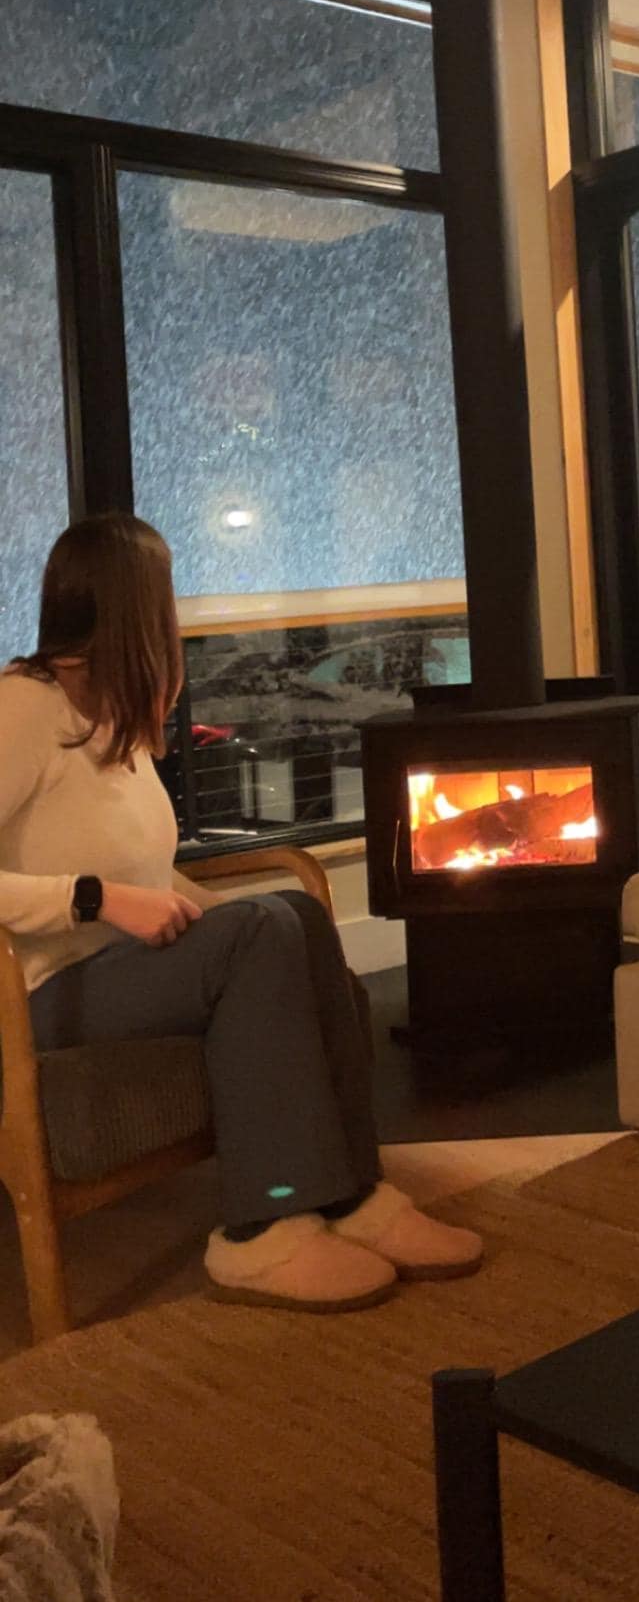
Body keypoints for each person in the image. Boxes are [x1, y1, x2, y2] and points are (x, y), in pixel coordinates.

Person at [1, 512, 483, 1311]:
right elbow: (111, 889)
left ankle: (354, 1198)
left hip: (122, 973)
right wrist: (92, 897)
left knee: (293, 916)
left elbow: (148, 874)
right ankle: (263, 1230)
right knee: (266, 928)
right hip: (40, 995)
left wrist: (251, 928)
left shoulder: (111, 717)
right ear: (134, 606)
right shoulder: (22, 709)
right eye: (165, 595)